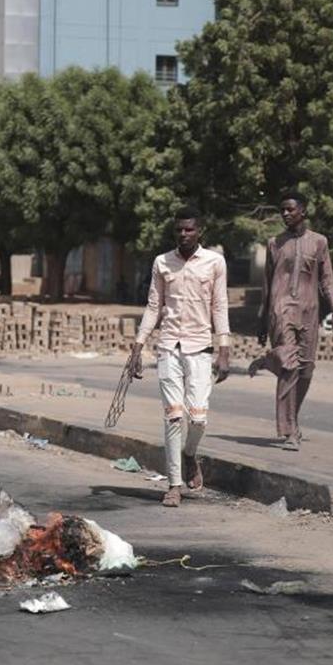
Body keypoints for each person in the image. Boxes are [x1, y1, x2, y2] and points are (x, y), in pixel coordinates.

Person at [129, 207, 231, 507]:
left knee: (198, 418)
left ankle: (189, 454)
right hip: (169, 347)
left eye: (189, 229)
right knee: (173, 415)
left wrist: (224, 350)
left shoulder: (215, 262)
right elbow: (153, 306)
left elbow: (220, 306)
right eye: (179, 230)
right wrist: (137, 346)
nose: (184, 234)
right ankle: (174, 485)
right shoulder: (162, 262)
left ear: (200, 231)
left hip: (200, 348)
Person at [250, 191, 333, 451]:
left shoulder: (319, 242)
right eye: (282, 210)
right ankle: (290, 430)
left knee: (306, 369)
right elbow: (267, 286)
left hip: (309, 311)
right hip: (280, 311)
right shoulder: (274, 243)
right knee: (291, 366)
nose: (285, 214)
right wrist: (261, 320)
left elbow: (327, 279)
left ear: (303, 211)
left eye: (290, 210)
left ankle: (271, 365)